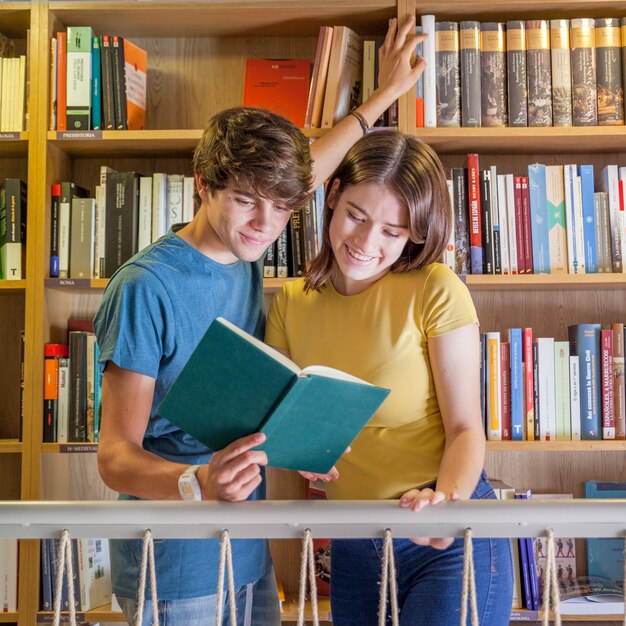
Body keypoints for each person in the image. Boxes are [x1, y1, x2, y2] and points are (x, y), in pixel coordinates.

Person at [93, 16, 425, 626]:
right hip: (175, 558)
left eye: (280, 208)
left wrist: (387, 94)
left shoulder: (249, 237)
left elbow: (303, 172)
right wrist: (201, 484)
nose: (264, 223)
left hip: (248, 546)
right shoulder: (146, 287)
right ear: (203, 188)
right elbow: (114, 457)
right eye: (246, 200)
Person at [265, 131, 514, 625]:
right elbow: (285, 427)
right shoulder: (289, 303)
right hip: (356, 539)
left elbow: (466, 429)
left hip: (443, 534)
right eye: (356, 216)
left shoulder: (435, 289)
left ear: (414, 235)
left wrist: (446, 502)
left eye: (391, 231)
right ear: (332, 196)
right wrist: (303, 455)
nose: (364, 243)